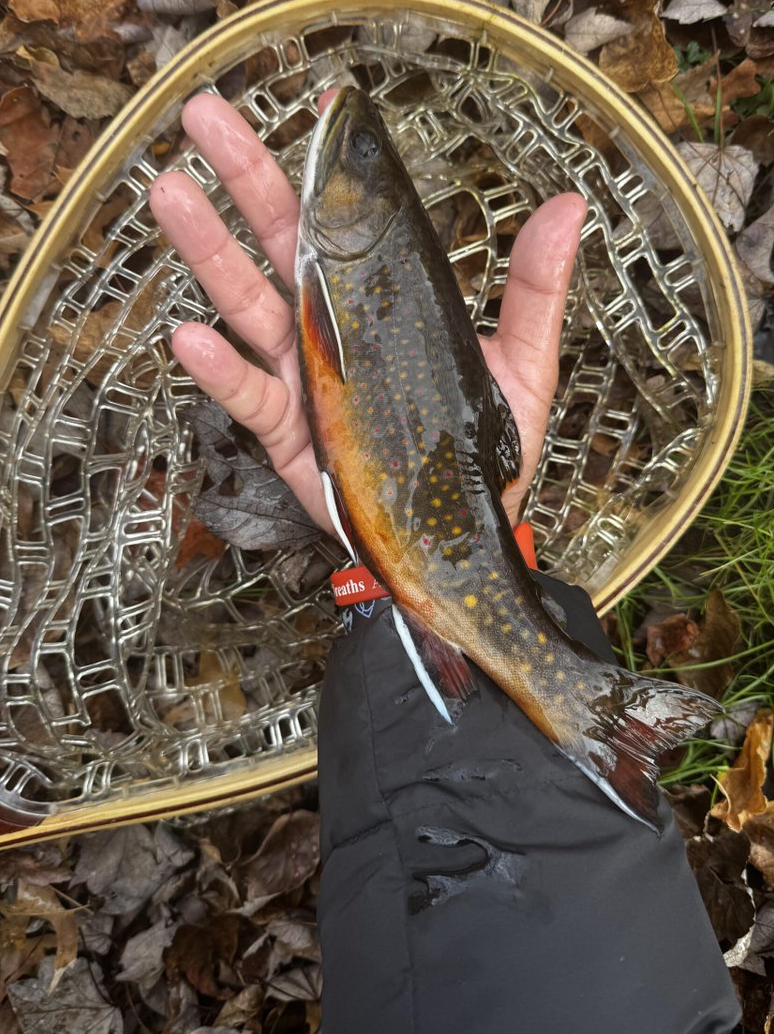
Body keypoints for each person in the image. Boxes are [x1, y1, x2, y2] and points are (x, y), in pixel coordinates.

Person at [149, 92, 742, 1034]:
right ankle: (587, 713)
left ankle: (585, 709)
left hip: (428, 527)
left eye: (356, 168)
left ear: (367, 217)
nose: (339, 162)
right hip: (436, 530)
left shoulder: (344, 267)